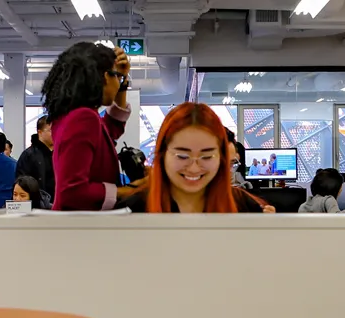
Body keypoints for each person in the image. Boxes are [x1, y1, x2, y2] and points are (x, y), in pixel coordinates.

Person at [116, 102, 265, 213]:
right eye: (182, 156)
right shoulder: (131, 212)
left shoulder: (244, 207)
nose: (194, 168)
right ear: (162, 154)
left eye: (206, 156)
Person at [43, 42, 136, 211]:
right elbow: (72, 192)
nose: (119, 83)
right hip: (81, 228)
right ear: (105, 77)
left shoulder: (69, 116)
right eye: (117, 77)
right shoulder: (84, 118)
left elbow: (110, 130)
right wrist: (130, 191)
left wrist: (122, 84)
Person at [17, 116, 56, 202]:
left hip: (57, 204)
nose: (56, 133)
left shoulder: (59, 153)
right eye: (51, 130)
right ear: (40, 132)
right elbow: (22, 183)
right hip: (38, 205)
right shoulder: (28, 155)